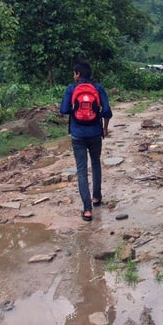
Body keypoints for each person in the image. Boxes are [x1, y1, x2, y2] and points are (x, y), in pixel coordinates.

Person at [60, 61, 112, 221]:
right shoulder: (98, 88)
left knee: (81, 170)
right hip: (95, 133)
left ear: (77, 74)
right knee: (96, 163)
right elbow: (107, 112)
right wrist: (105, 128)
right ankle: (96, 197)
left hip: (77, 135)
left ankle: (87, 210)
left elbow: (63, 110)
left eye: (74, 73)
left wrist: (76, 109)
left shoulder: (71, 89)